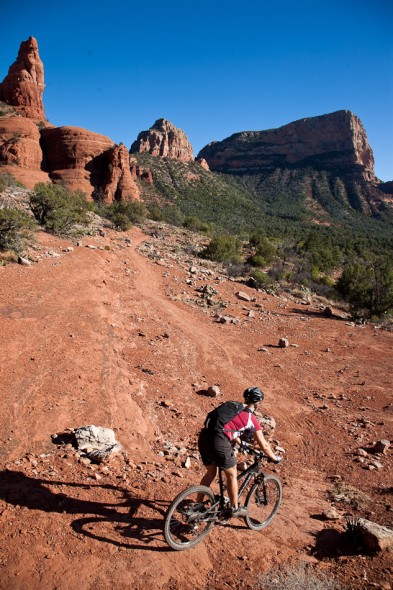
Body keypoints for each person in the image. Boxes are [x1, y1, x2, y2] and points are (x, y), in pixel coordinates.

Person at [197, 386, 280, 518]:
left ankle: (198, 505)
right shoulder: (251, 418)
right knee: (232, 474)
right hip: (218, 441)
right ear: (258, 402)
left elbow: (228, 427)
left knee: (211, 472)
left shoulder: (231, 405)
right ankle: (234, 508)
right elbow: (264, 445)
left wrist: (242, 443)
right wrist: (274, 458)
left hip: (204, 437)